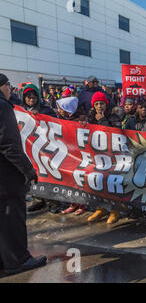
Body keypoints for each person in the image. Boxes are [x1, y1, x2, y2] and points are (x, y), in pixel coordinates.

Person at [0, 73, 47, 275]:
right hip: (6, 178)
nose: (10, 89)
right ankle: (18, 260)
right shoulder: (2, 107)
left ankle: (4, 260)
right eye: (8, 85)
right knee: (12, 220)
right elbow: (9, 145)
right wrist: (28, 170)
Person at [19, 84, 58, 213]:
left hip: (46, 148)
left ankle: (53, 202)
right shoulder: (20, 111)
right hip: (29, 149)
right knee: (34, 174)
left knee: (48, 173)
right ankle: (38, 199)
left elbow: (56, 124)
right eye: (28, 97)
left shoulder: (46, 109)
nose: (31, 100)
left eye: (34, 97)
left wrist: (39, 116)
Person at [86, 92, 122, 224]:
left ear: (106, 104)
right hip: (96, 155)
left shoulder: (114, 117)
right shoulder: (90, 117)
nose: (99, 106)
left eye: (101, 103)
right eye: (97, 104)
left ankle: (114, 210)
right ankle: (101, 208)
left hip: (112, 156)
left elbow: (115, 133)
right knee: (97, 181)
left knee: (112, 182)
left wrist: (102, 120)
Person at [56, 97, 87, 216]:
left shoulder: (81, 119)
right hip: (68, 153)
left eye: (61, 108)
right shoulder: (63, 119)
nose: (60, 110)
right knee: (70, 181)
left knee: (80, 181)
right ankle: (73, 204)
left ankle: (82, 204)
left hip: (79, 155)